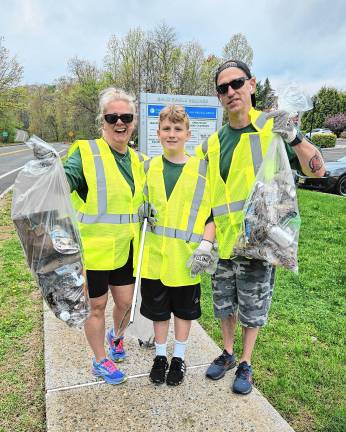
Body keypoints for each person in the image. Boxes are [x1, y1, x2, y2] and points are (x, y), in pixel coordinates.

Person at [196, 59, 326, 395]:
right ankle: (227, 353)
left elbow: (317, 171)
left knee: (252, 310)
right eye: (223, 88)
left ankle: (246, 363)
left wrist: (295, 136)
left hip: (257, 241)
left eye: (236, 83)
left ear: (251, 84)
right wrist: (205, 242)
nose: (230, 92)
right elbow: (209, 197)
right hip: (224, 244)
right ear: (218, 96)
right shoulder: (213, 143)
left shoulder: (271, 127)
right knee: (224, 306)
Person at [63, 87, 147, 385]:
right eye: (113, 117)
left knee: (125, 304)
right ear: (103, 121)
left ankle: (117, 337)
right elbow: (63, 181)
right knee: (96, 307)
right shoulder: (86, 153)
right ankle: (100, 360)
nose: (120, 122)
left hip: (125, 248)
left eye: (126, 116)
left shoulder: (138, 161)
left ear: (133, 121)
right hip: (94, 251)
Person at [138, 105, 217, 386]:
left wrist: (206, 246)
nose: (172, 134)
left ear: (188, 134)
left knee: (184, 312)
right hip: (155, 258)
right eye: (167, 129)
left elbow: (212, 215)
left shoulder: (202, 171)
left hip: (187, 258)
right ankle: (160, 356)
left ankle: (179, 358)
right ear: (158, 133)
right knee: (159, 313)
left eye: (178, 129)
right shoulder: (147, 167)